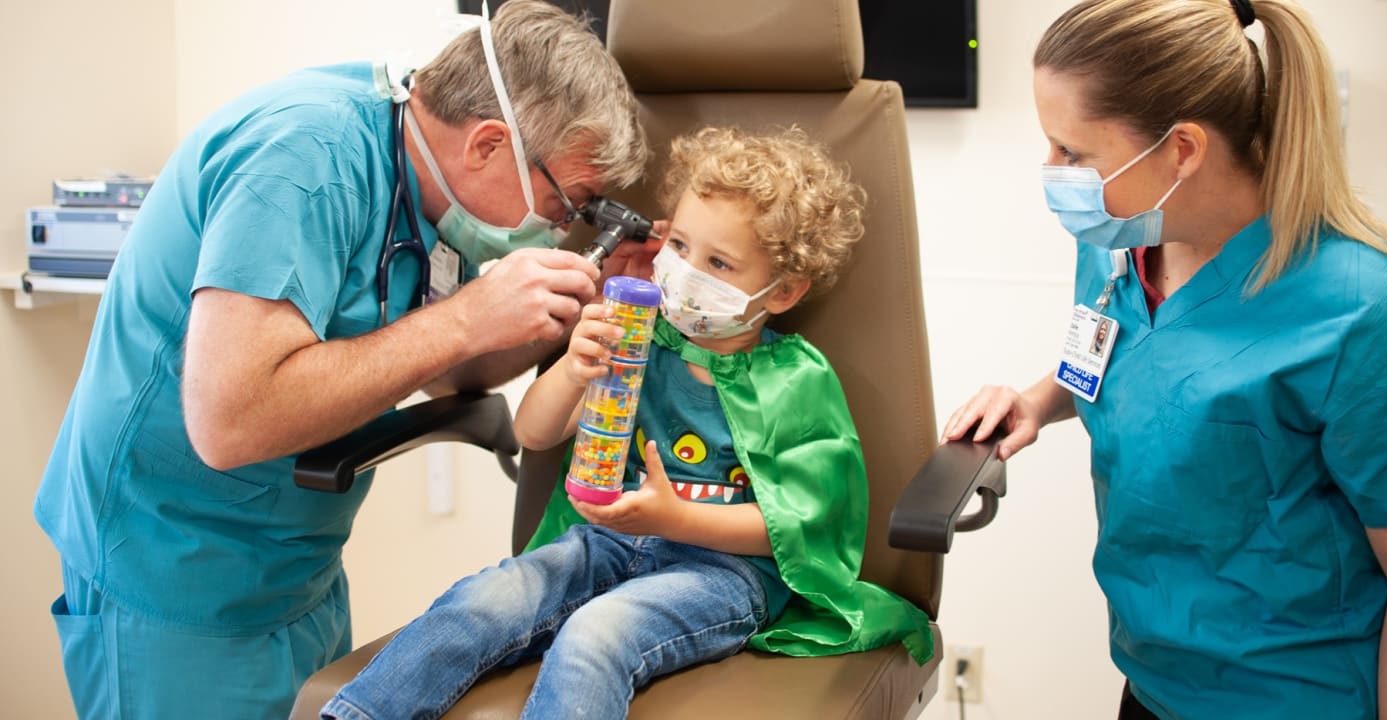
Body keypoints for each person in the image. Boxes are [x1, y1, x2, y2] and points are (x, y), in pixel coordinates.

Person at [33, 2, 652, 718]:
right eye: (562, 203)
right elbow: (230, 422)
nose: (557, 227)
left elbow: (447, 368)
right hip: (172, 573)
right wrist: (463, 319)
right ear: (486, 146)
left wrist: (580, 296)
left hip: (296, 570)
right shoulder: (301, 162)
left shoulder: (416, 181)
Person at [319, 126, 934, 720]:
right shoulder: (637, 338)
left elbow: (802, 527)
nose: (688, 271)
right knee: (483, 601)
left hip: (720, 573)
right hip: (603, 543)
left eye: (719, 264)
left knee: (597, 634)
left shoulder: (795, 379)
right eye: (681, 246)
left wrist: (676, 519)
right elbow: (534, 434)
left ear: (781, 291)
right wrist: (573, 370)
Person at [942, 1, 1387, 718]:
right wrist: (1035, 400)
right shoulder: (1114, 244)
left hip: (1291, 699)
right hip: (1152, 678)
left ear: (1183, 149)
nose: (1052, 171)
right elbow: (1124, 359)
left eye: (1072, 152)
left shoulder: (1360, 309)